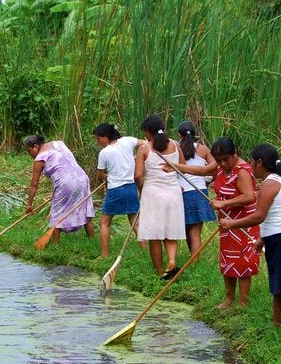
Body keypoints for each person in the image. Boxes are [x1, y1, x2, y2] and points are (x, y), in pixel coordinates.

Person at [220, 144, 281, 331]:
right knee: (278, 289)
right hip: (279, 238)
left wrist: (232, 224)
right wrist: (262, 239)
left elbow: (258, 216)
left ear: (259, 162)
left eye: (252, 162)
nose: (250, 165)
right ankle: (277, 328)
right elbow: (273, 217)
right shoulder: (273, 181)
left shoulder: (270, 184)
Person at [170, 137, 260, 309]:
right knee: (228, 259)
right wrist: (176, 167)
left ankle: (243, 303)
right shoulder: (219, 167)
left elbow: (249, 196)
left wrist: (223, 203)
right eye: (219, 160)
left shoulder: (242, 170)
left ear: (235, 154)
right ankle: (228, 299)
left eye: (226, 159)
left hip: (243, 223)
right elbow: (201, 171)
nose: (223, 163)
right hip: (226, 223)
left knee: (243, 262)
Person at [135, 115, 186, 279]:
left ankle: (159, 272)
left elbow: (138, 175)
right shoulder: (176, 145)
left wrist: (141, 189)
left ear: (148, 132)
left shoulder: (144, 148)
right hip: (173, 193)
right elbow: (183, 168)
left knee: (154, 235)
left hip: (153, 194)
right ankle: (171, 261)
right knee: (170, 232)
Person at [24, 135, 95, 243]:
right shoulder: (58, 143)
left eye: (29, 151)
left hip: (66, 183)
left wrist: (29, 204)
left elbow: (34, 185)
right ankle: (92, 241)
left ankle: (56, 246)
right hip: (82, 179)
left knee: (56, 214)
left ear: (35, 146)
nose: (30, 155)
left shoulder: (40, 158)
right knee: (85, 210)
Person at [94, 123, 145, 257]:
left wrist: (107, 178)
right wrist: (138, 157)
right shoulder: (127, 141)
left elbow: (100, 175)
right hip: (131, 188)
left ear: (105, 137)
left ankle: (105, 255)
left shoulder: (104, 153)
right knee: (135, 222)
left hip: (115, 190)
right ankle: (145, 252)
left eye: (98, 139)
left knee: (104, 222)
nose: (98, 142)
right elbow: (145, 144)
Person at [177, 120, 217, 255]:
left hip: (182, 193)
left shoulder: (176, 148)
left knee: (188, 230)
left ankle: (193, 261)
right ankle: (194, 263)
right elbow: (216, 168)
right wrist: (207, 182)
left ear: (179, 135)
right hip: (199, 192)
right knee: (195, 233)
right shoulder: (203, 149)